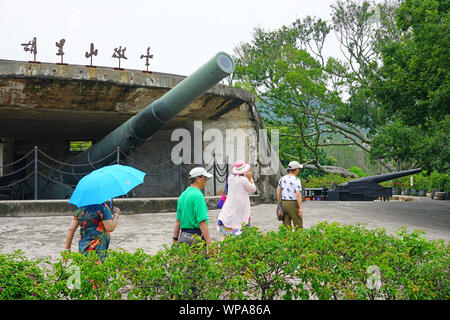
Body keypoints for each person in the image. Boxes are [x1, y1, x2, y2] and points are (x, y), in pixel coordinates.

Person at [172, 167, 213, 246]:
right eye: (205, 178)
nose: (206, 181)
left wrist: (175, 239)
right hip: (196, 238)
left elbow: (178, 220)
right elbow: (202, 222)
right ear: (198, 178)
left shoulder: (182, 195)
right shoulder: (198, 195)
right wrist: (209, 244)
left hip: (183, 237)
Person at [217, 160, 257, 240]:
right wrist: (250, 178)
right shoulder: (243, 180)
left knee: (224, 233)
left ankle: (221, 248)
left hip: (229, 207)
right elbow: (253, 189)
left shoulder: (230, 178)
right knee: (241, 228)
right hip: (240, 208)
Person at [277, 161, 303, 228]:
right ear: (296, 170)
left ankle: (287, 238)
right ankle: (299, 238)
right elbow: (298, 194)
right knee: (298, 224)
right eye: (298, 169)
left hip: (283, 202)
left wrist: (279, 202)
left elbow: (278, 191)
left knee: (286, 225)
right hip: (293, 203)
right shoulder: (296, 180)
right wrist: (300, 207)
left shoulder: (282, 178)